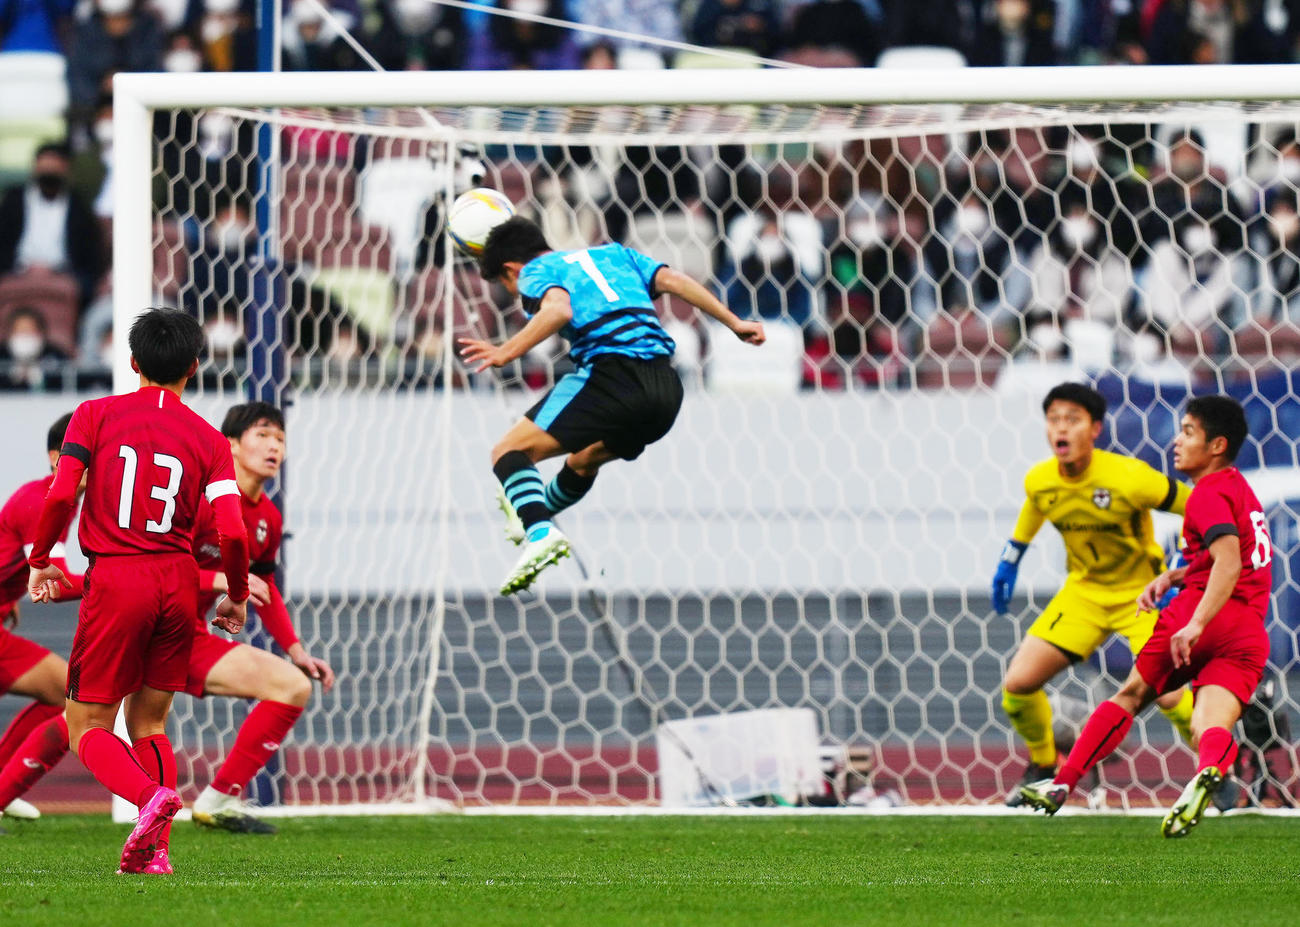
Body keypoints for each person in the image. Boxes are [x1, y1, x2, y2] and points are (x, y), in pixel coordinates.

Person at [26, 308, 250, 875]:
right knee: (150, 722)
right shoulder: (209, 439)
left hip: (119, 577)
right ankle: (156, 852)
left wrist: (41, 559)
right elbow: (233, 531)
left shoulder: (93, 415)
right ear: (194, 367)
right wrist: (236, 593)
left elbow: (61, 494)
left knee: (86, 726)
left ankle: (150, 799)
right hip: (177, 581)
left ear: (131, 362)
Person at [459, 216, 765, 595]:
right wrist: (735, 323)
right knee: (583, 460)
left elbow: (558, 311)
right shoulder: (615, 255)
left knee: (508, 452)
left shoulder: (536, 272)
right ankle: (537, 516)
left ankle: (539, 532)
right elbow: (676, 281)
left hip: (612, 376)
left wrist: (506, 351)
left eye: (508, 285)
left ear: (512, 270)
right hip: (665, 391)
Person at [1020, 395, 1273, 837]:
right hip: (1248, 631)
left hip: (1202, 613)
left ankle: (1062, 783)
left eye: (1188, 432)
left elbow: (1228, 562)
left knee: (1131, 696)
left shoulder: (1205, 494)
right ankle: (1211, 771)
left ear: (1216, 446)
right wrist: (1175, 575)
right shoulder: (1240, 490)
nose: (1177, 441)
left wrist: (1195, 623)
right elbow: (1234, 557)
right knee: (1208, 725)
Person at [992, 382, 1195, 806]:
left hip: (1141, 595)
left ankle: (1217, 770)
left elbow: (1194, 505)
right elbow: (1037, 505)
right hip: (1083, 594)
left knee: (1173, 694)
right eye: (1053, 419)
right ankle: (1043, 766)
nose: (1061, 428)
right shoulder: (1040, 480)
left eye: (1072, 419)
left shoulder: (1130, 477)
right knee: (1018, 685)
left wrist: (1180, 563)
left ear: (1096, 428)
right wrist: (1011, 558)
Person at [186, 402, 334, 833]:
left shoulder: (267, 517)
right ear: (231, 445)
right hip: (138, 627)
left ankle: (217, 800)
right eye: (263, 435)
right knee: (77, 722)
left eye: (280, 439)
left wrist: (297, 652)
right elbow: (154, 569)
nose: (274, 447)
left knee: (291, 685)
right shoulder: (197, 498)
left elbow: (264, 589)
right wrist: (220, 580)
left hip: (183, 639)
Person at [0, 413, 84, 825]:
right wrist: (115, 578)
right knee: (67, 690)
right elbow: (55, 584)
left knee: (62, 690)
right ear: (57, 458)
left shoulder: (60, 500)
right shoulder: (44, 501)